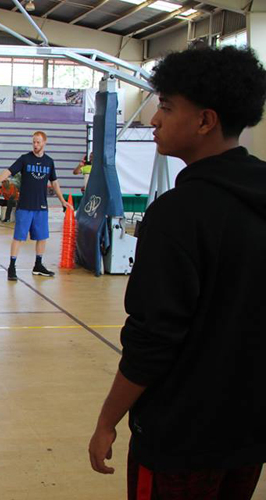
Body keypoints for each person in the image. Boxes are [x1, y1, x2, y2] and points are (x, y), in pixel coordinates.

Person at [88, 46, 266, 500]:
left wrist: (108, 420)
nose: (154, 120)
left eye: (166, 108)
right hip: (248, 434)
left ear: (205, 121)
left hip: (181, 439)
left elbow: (153, 338)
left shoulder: (177, 214)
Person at [0, 131, 71, 281]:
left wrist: (62, 200)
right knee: (18, 237)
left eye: (38, 142)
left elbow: (54, 182)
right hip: (25, 206)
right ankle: (12, 267)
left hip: (41, 206)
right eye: (34, 142)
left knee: (42, 237)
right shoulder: (25, 159)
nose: (35, 145)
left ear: (44, 143)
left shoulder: (49, 162)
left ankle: (38, 265)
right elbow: (8, 171)